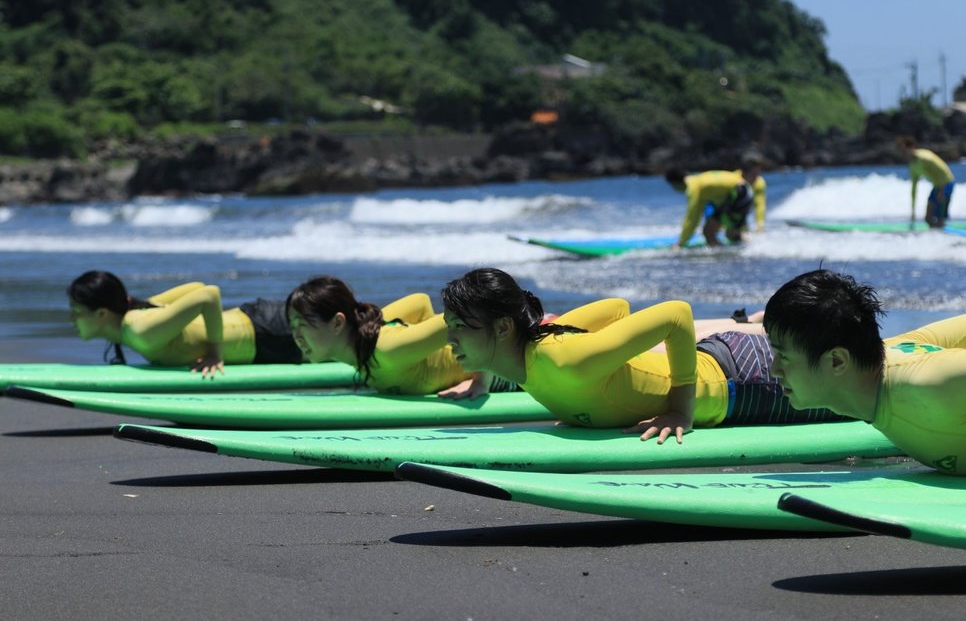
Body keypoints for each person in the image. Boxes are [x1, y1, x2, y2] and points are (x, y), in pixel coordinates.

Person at [440, 267, 842, 444]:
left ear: (504, 328)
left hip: (744, 380)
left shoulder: (565, 360)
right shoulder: (534, 354)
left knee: (860, 386)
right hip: (727, 369)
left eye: (460, 326)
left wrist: (680, 411)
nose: (450, 338)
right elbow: (616, 306)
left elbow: (675, 313)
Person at [764, 269, 966, 476]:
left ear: (836, 361)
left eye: (783, 356)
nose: (774, 370)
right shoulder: (894, 357)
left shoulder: (933, 388)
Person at [285, 275, 503, 397]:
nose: (296, 336)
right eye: (292, 327)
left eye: (302, 325)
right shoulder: (368, 335)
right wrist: (424, 351)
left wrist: (481, 380)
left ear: (338, 322)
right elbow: (420, 301)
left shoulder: (388, 350)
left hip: (509, 371)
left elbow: (473, 309)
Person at [68, 270, 301, 375]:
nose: (72, 319)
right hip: (259, 323)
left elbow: (208, 294)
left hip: (272, 333)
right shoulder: (138, 318)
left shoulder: (139, 330)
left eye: (77, 312)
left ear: (101, 314)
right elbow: (196, 287)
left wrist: (214, 353)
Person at [665, 167, 758, 248]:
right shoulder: (698, 180)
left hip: (739, 193)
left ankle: (726, 255)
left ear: (675, 184)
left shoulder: (693, 187)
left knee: (709, 232)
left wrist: (681, 243)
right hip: (742, 192)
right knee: (728, 234)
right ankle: (750, 245)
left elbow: (692, 218)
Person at [897, 135, 955, 228]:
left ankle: (947, 233)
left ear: (911, 147)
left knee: (940, 217)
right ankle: (936, 235)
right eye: (901, 151)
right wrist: (913, 212)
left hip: (947, 183)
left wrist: (942, 189)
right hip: (937, 186)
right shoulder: (912, 166)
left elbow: (943, 171)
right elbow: (914, 189)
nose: (902, 153)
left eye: (904, 150)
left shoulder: (925, 157)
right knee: (928, 219)